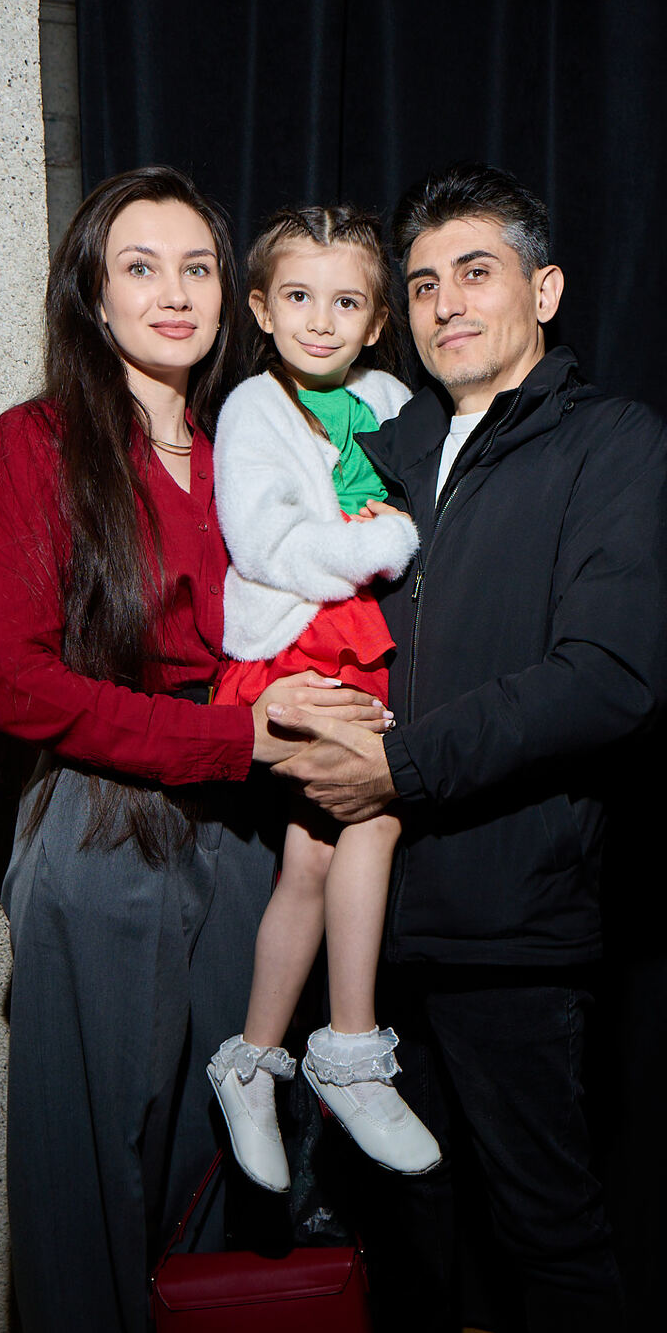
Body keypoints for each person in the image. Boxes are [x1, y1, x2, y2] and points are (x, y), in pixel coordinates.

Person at [273, 163, 667, 1333]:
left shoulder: (613, 445)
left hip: (517, 909)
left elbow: (617, 672)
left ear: (544, 289)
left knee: (547, 1226)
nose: (446, 302)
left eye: (476, 271)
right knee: (395, 1199)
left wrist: (401, 762)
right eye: (424, 281)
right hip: (366, 913)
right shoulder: (374, 441)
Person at [0, 165, 387, 1333]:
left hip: (247, 833)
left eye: (197, 265)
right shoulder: (36, 446)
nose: (173, 291)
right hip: (105, 834)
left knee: (222, 1145)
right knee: (95, 1171)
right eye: (138, 266)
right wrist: (228, 731)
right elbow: (10, 683)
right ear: (90, 292)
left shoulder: (250, 441)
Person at [204, 205, 440, 1190]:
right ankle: (348, 1053)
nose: (319, 320)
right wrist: (382, 539)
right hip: (292, 649)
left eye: (346, 303)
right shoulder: (252, 409)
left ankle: (254, 1063)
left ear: (378, 321)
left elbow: (432, 504)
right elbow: (267, 544)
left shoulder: (391, 397)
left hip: (362, 644)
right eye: (298, 297)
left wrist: (404, 526)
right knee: (372, 820)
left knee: (311, 856)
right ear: (261, 308)